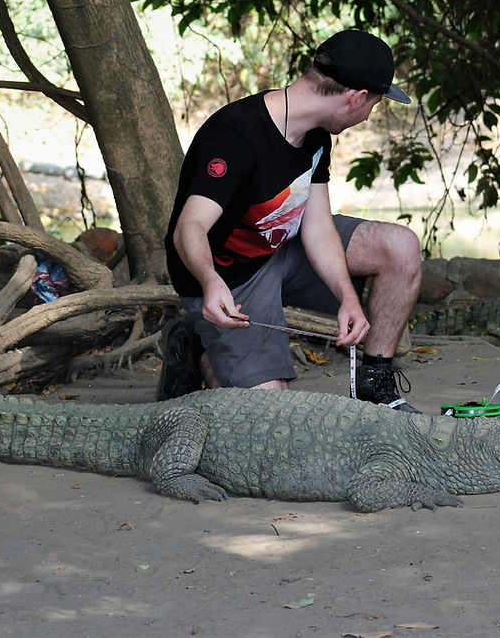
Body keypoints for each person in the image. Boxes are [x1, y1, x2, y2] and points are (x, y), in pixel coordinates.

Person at [158, 29, 423, 413]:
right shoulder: (235, 135)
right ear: (356, 98)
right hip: (229, 280)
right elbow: (189, 227)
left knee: (400, 247)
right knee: (273, 414)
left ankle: (376, 385)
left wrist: (347, 297)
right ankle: (203, 349)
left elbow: (316, 226)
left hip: (282, 246)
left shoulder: (316, 138)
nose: (367, 118)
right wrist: (211, 282)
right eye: (374, 106)